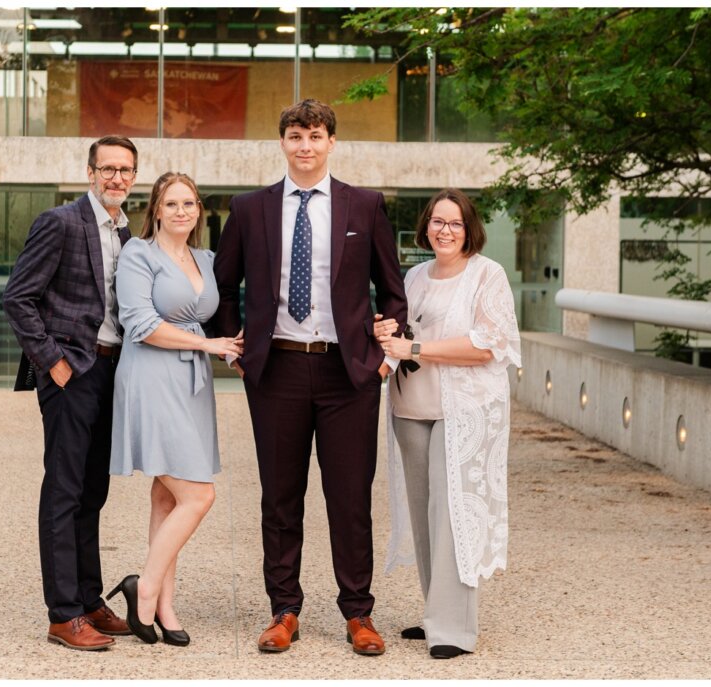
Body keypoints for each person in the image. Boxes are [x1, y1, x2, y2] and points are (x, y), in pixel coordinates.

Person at [212, 99, 408, 656]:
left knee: (350, 498)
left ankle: (359, 614)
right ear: (282, 143)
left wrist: (385, 361)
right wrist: (235, 352)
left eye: (315, 135)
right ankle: (284, 610)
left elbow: (394, 291)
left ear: (331, 143)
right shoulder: (249, 209)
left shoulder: (364, 206)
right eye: (295, 135)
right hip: (275, 369)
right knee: (280, 496)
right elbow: (225, 287)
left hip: (349, 374)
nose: (305, 145)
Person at [2, 136, 140, 651]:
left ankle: (87, 599)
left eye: (125, 170)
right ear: (89, 172)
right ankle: (63, 614)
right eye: (107, 169)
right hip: (71, 373)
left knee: (93, 493)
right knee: (63, 491)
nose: (116, 178)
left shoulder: (128, 231)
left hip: (112, 373)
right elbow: (18, 297)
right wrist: (52, 362)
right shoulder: (60, 222)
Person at [374, 188, 521, 659]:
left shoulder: (487, 275)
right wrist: (385, 333)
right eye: (437, 221)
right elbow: (399, 332)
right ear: (426, 226)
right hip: (410, 408)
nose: (444, 230)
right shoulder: (414, 275)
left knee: (453, 515)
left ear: (469, 229)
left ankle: (454, 630)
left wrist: (415, 350)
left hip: (463, 412)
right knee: (423, 514)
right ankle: (435, 612)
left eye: (454, 223)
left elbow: (487, 345)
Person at [106, 172, 243, 647]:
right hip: (150, 376)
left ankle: (165, 605)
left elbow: (218, 322)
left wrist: (231, 351)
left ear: (198, 210)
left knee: (167, 497)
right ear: (156, 210)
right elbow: (141, 324)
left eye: (190, 203)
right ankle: (142, 589)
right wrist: (209, 345)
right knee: (198, 495)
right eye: (172, 203)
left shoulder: (206, 258)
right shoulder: (138, 255)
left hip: (192, 383)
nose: (182, 210)